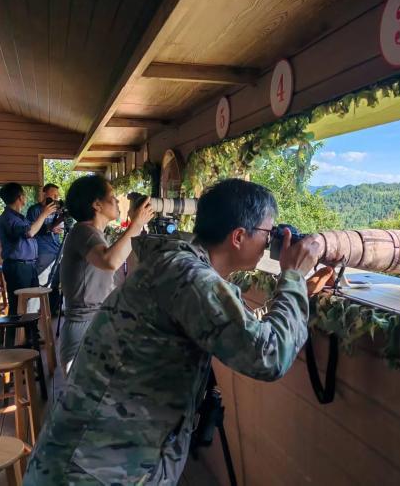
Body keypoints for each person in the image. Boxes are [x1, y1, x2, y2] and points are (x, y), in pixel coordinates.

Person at [24, 178, 334, 485]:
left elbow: (237, 326)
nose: (270, 241)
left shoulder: (180, 265)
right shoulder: (189, 276)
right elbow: (268, 357)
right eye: (268, 232)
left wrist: (296, 292)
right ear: (239, 236)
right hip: (92, 470)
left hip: (100, 460)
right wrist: (293, 276)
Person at [58, 174, 154, 374]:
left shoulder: (94, 234)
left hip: (95, 323)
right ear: (97, 204)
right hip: (84, 329)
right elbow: (110, 261)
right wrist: (136, 224)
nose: (117, 200)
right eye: (112, 196)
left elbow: (119, 257)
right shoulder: (84, 231)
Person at [0, 183, 56, 345]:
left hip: (28, 265)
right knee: (18, 305)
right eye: (24, 195)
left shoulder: (18, 217)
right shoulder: (9, 218)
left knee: (30, 303)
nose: (26, 197)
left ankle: (31, 336)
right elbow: (29, 232)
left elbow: (33, 229)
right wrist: (44, 214)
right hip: (18, 266)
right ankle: (12, 343)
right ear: (20, 197)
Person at [26, 183, 64, 315]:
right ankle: (33, 312)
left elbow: (60, 226)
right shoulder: (34, 210)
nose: (56, 198)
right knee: (41, 281)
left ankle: (53, 309)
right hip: (42, 250)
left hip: (57, 248)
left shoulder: (57, 209)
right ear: (44, 194)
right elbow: (32, 230)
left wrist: (61, 219)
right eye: (53, 195)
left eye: (57, 196)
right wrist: (50, 228)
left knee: (55, 281)